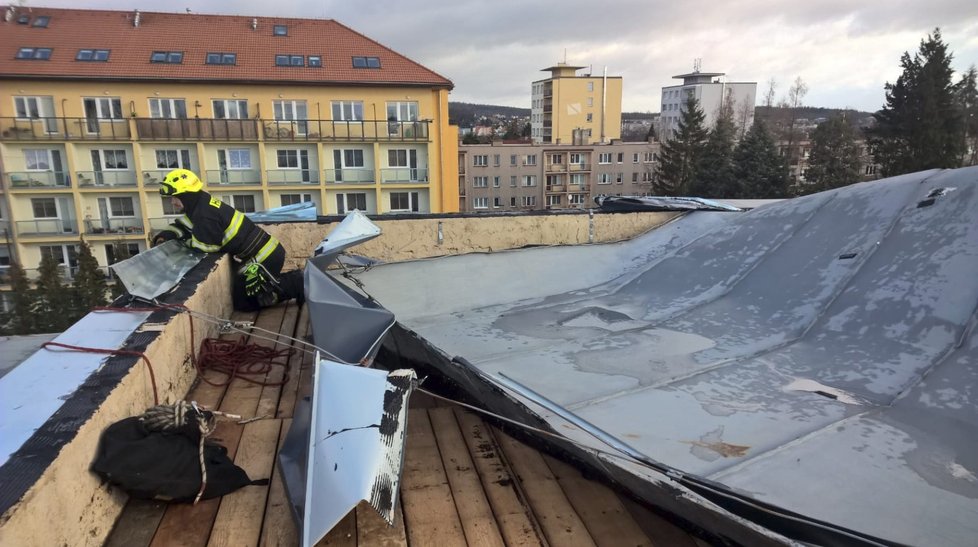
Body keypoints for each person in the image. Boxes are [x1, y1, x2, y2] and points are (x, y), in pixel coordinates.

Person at [152, 168, 304, 311]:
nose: (172, 202)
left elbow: (205, 248)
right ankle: (285, 284)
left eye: (175, 197)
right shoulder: (201, 204)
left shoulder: (204, 215)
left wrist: (182, 242)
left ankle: (294, 284)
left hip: (262, 258)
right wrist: (165, 236)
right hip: (264, 253)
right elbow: (184, 225)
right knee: (242, 295)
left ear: (186, 195)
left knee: (244, 302)